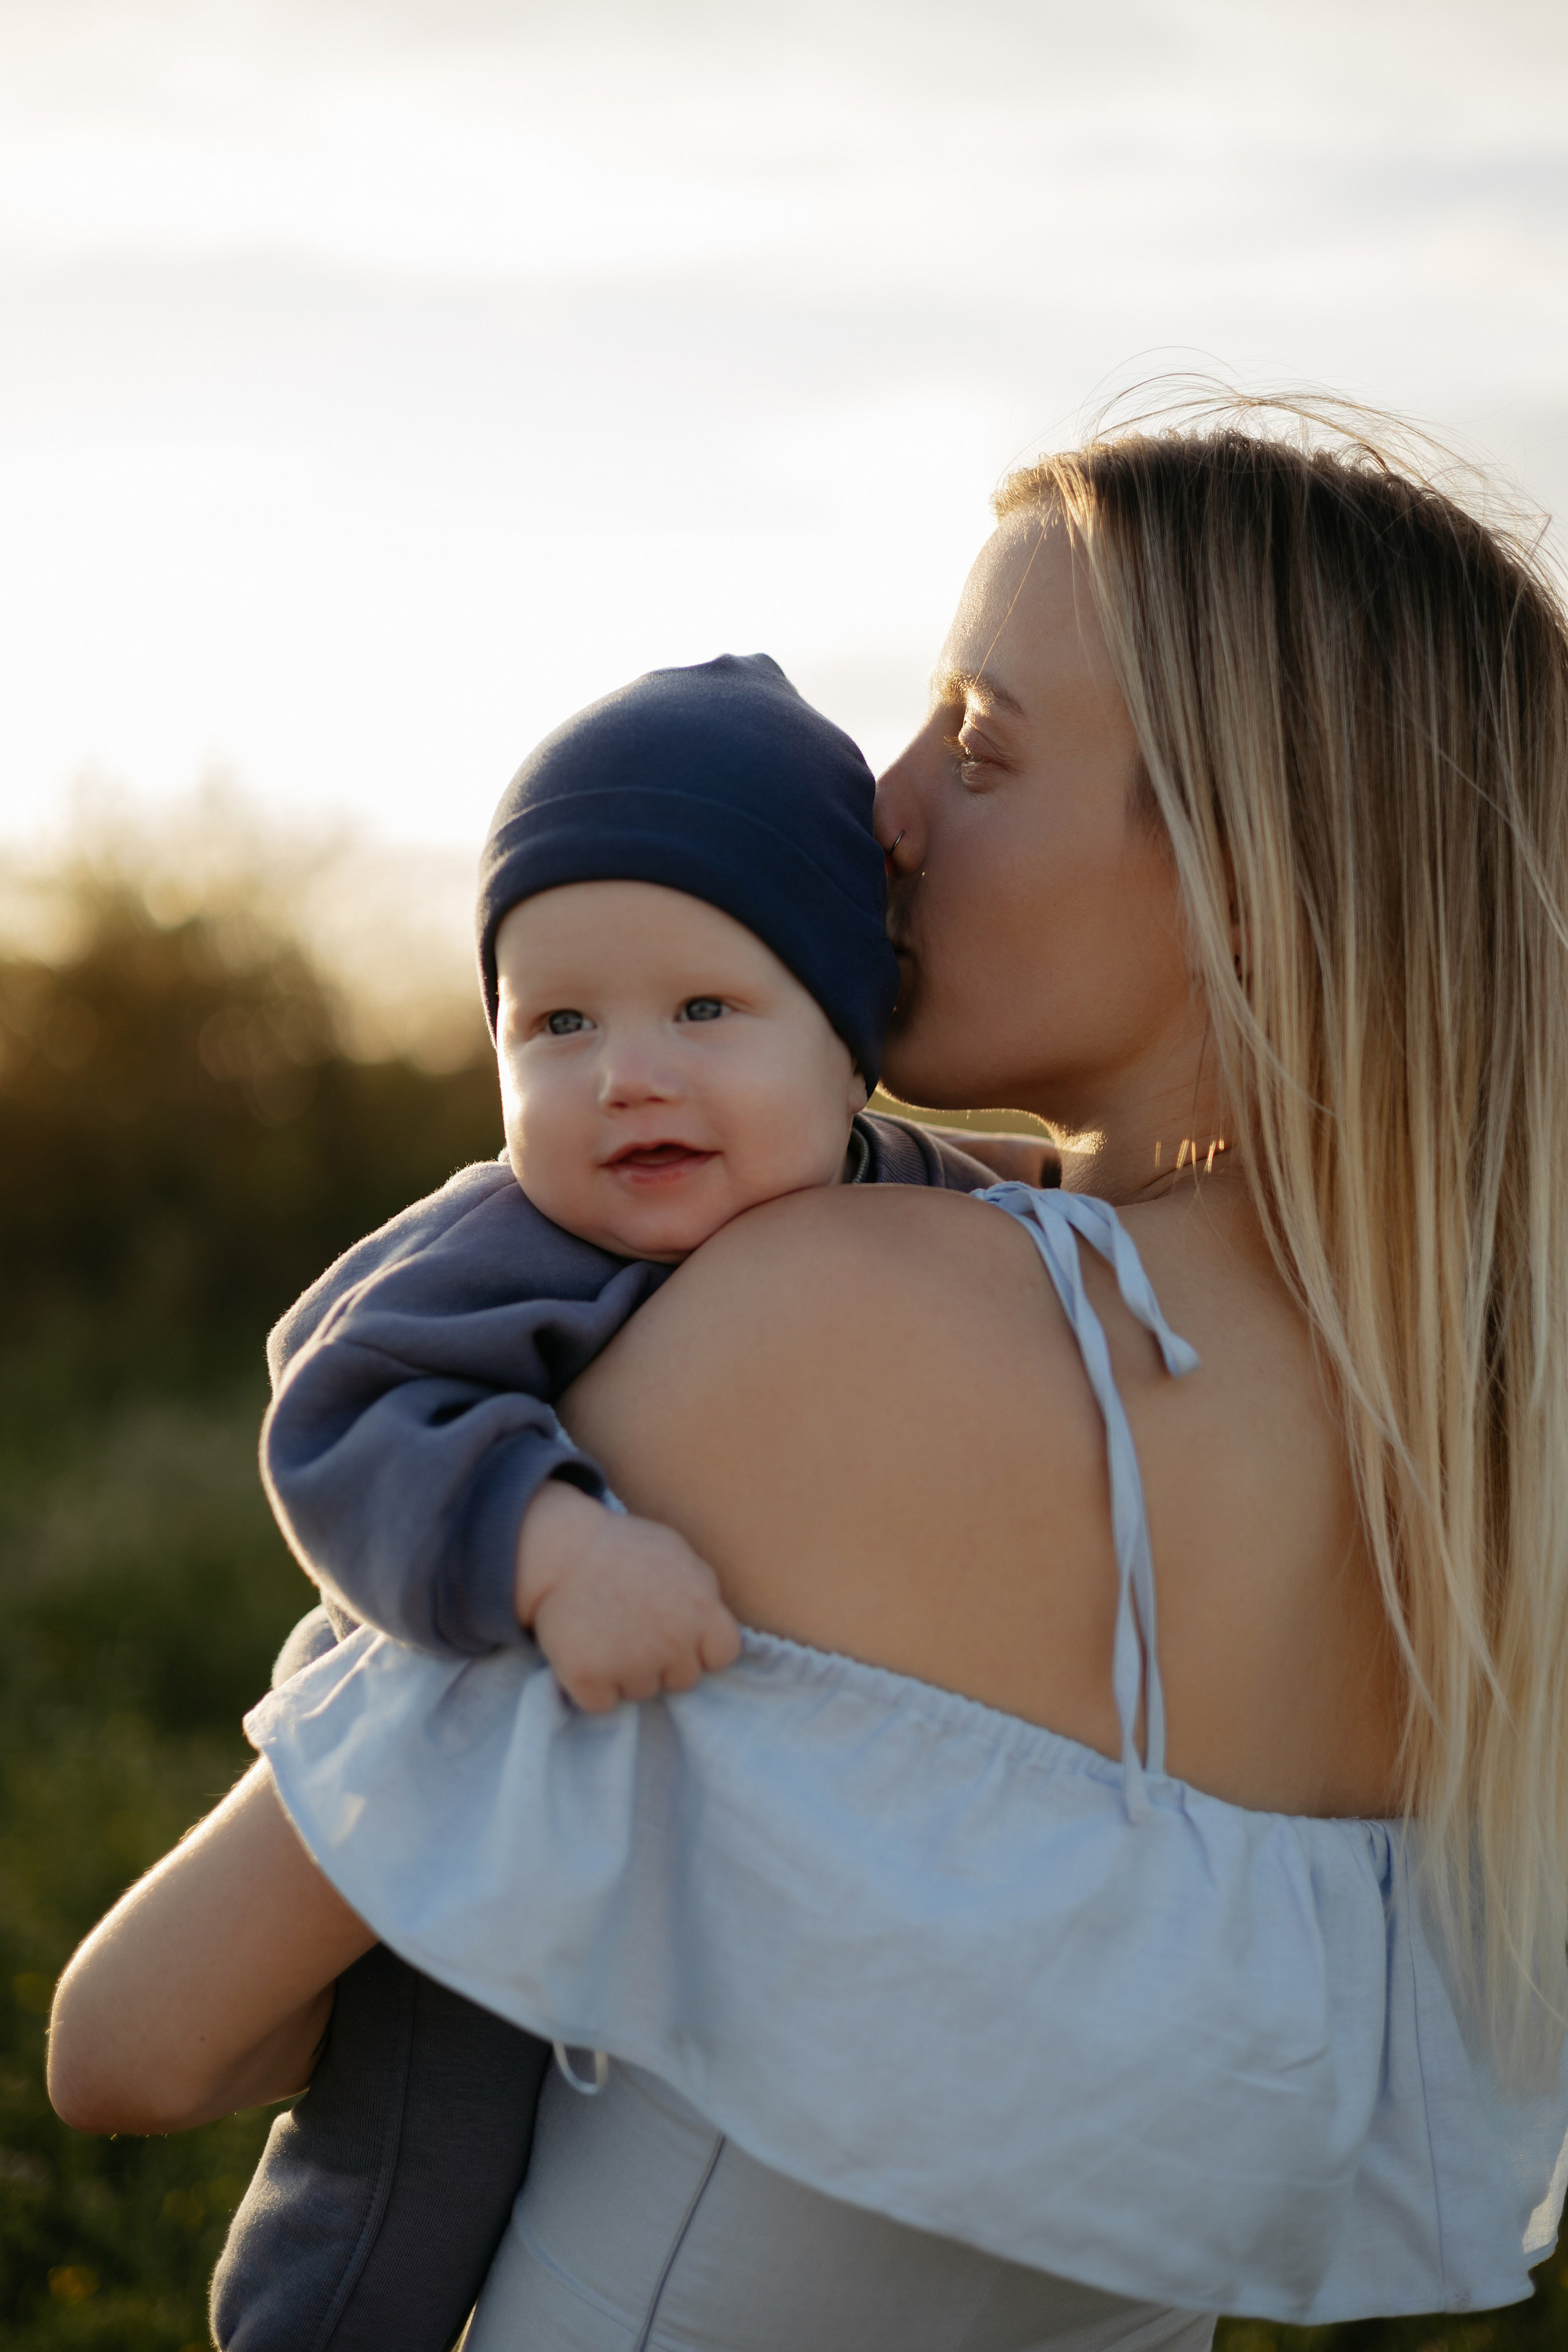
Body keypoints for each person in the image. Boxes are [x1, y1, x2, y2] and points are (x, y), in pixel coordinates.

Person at [48, 398, 1568, 2351]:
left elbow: (140, 2043)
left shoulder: (829, 1313)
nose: (886, 807)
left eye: (981, 747)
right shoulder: (1485, 1456)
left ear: (1250, 880)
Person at [210, 650, 1038, 2351]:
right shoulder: (508, 1241)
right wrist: (556, 1548)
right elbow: (347, 1415)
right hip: (467, 1766)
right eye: (558, 1024)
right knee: (418, 2147)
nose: (627, 1076)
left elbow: (1022, 1195)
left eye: (703, 1011)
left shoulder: (895, 1187)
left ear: (850, 1040)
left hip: (716, 1826)